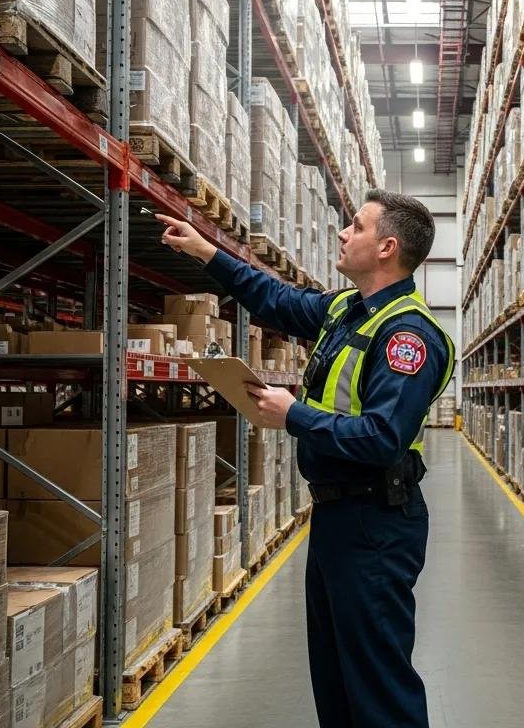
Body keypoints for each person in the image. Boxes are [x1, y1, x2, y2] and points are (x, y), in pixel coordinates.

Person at [155, 189, 455, 728]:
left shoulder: (406, 336)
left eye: (356, 227)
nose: (343, 234)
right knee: (336, 675)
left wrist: (294, 415)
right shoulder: (346, 309)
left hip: (376, 523)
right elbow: (274, 298)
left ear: (387, 247)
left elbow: (383, 437)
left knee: (378, 683)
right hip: (338, 516)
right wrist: (206, 251)